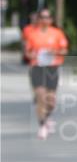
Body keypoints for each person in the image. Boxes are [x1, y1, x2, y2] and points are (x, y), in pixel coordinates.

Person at [25, 8, 68, 139]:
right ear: (38, 19)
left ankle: (47, 117)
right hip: (37, 67)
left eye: (47, 17)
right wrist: (31, 55)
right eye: (42, 17)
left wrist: (54, 52)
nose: (44, 19)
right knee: (40, 96)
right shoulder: (32, 34)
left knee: (51, 100)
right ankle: (42, 125)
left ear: (51, 20)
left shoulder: (57, 33)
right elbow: (27, 52)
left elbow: (64, 50)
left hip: (52, 68)